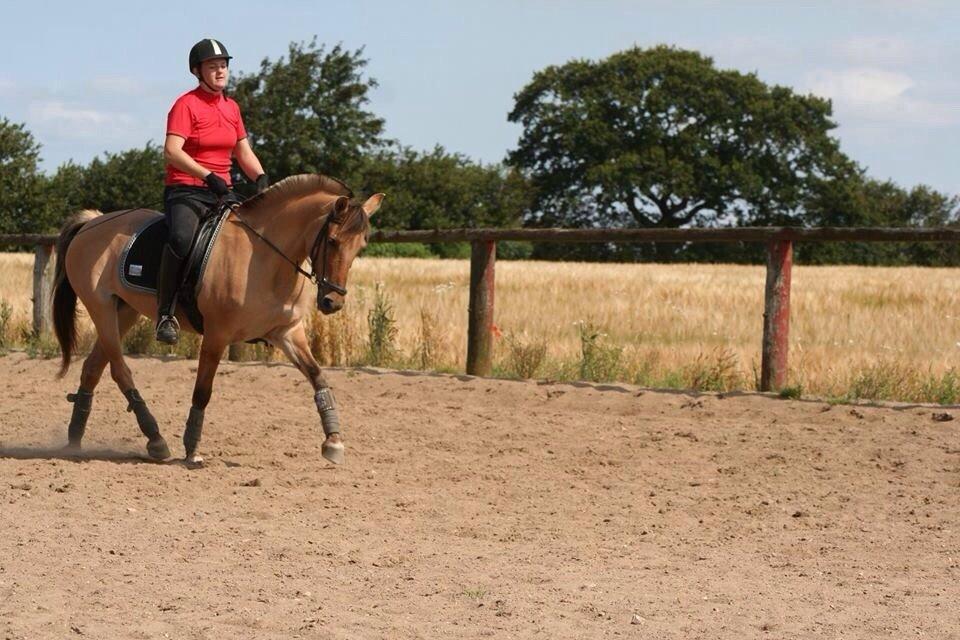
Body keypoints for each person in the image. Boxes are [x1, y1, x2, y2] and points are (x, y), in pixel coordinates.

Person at [156, 38, 269, 344]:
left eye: (223, 66)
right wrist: (208, 176)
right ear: (197, 71)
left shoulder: (232, 108)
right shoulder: (185, 105)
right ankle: (165, 313)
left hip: (222, 192)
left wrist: (260, 178)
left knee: (255, 240)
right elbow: (172, 151)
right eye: (213, 66)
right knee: (181, 239)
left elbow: (243, 152)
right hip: (186, 190)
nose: (220, 71)